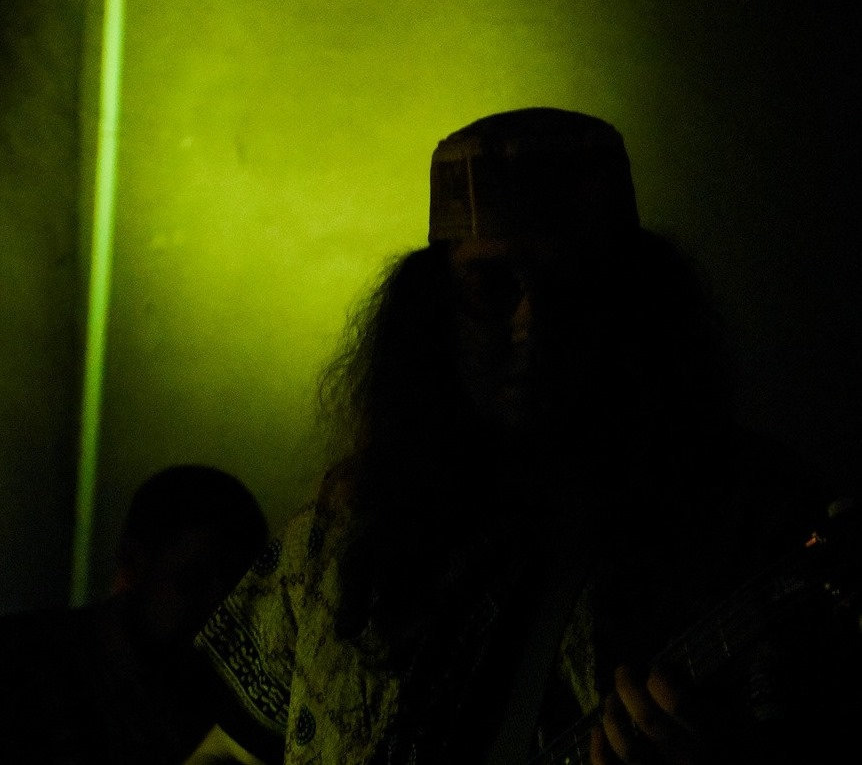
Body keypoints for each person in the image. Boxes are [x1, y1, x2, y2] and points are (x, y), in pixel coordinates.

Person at [188, 108, 859, 765]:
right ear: (433, 310)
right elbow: (228, 749)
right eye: (491, 286)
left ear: (634, 302)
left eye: (573, 288)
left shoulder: (750, 519)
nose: (532, 324)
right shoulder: (340, 532)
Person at [0, 463, 269, 764]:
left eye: (239, 596)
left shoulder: (224, 701)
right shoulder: (22, 665)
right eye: (193, 581)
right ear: (132, 559)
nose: (218, 611)